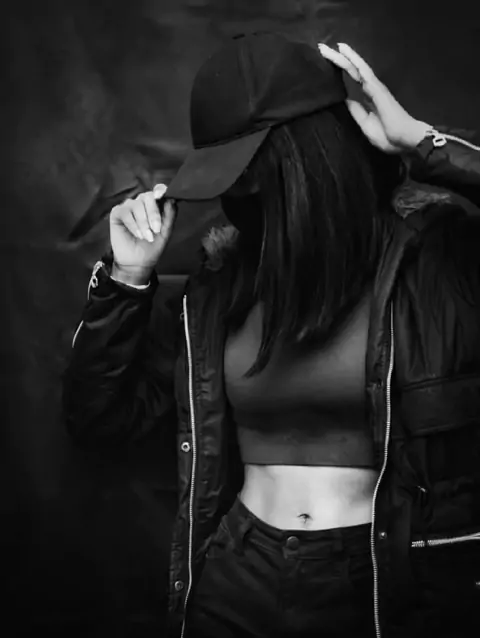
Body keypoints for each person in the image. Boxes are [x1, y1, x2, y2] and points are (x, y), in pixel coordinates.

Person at [63, 33, 480, 638]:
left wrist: (422, 142)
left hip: (384, 582)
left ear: (315, 159)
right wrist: (127, 280)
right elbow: (98, 419)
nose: (242, 193)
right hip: (237, 578)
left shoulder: (438, 263)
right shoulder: (218, 291)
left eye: (254, 173)